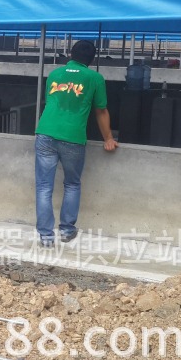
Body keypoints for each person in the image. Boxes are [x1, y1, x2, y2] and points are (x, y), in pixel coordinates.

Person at [34, 40, 118, 248]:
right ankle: (66, 230)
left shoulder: (55, 75)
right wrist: (108, 138)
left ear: (70, 54)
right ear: (92, 58)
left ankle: (46, 236)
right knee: (72, 183)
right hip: (72, 137)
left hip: (45, 133)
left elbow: (51, 102)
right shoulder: (95, 78)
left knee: (44, 186)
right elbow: (101, 110)